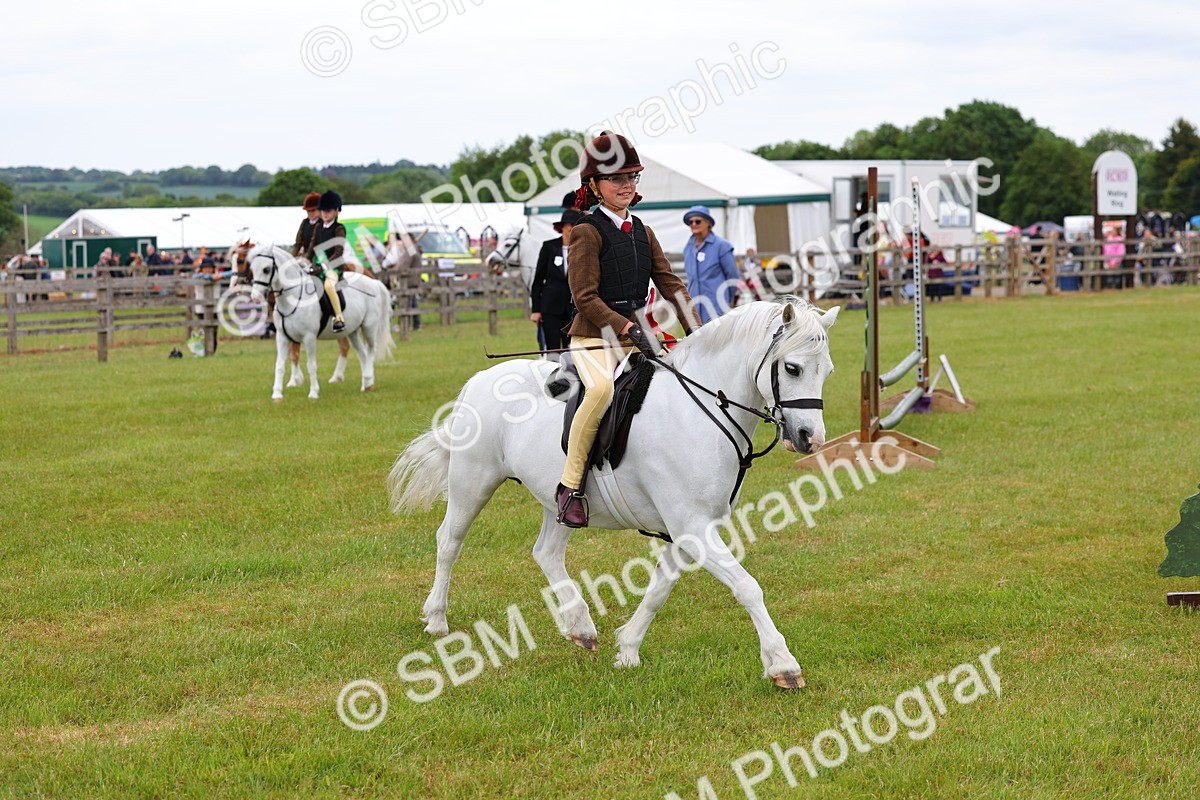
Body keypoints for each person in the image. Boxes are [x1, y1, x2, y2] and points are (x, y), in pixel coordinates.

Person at [555, 131, 701, 528]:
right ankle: (570, 486)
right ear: (594, 185)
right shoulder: (586, 231)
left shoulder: (642, 231)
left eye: (632, 177)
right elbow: (584, 297)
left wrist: (698, 329)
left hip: (637, 338)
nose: (625, 185)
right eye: (616, 179)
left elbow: (670, 283)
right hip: (593, 338)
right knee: (601, 390)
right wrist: (625, 326)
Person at [530, 208, 581, 357]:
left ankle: (570, 377)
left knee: (570, 348)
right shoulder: (548, 247)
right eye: (569, 225)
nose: (571, 228)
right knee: (552, 348)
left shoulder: (582, 249)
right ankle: (552, 375)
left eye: (575, 225)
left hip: (573, 308)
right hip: (550, 306)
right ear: (562, 227)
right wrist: (536, 309)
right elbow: (538, 279)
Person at [681, 204, 738, 324]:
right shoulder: (688, 247)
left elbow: (733, 277)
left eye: (697, 221)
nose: (693, 224)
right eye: (691, 222)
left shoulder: (722, 246)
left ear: (708, 223)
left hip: (717, 305)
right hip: (695, 306)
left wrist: (726, 298)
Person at [306, 190, 347, 332]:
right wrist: (304, 261)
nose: (324, 214)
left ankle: (339, 318)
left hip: (334, 267)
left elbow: (338, 252)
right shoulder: (318, 227)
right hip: (318, 263)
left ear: (336, 211)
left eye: (328, 211)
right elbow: (312, 247)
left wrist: (324, 266)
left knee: (329, 286)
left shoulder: (339, 229)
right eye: (322, 210)